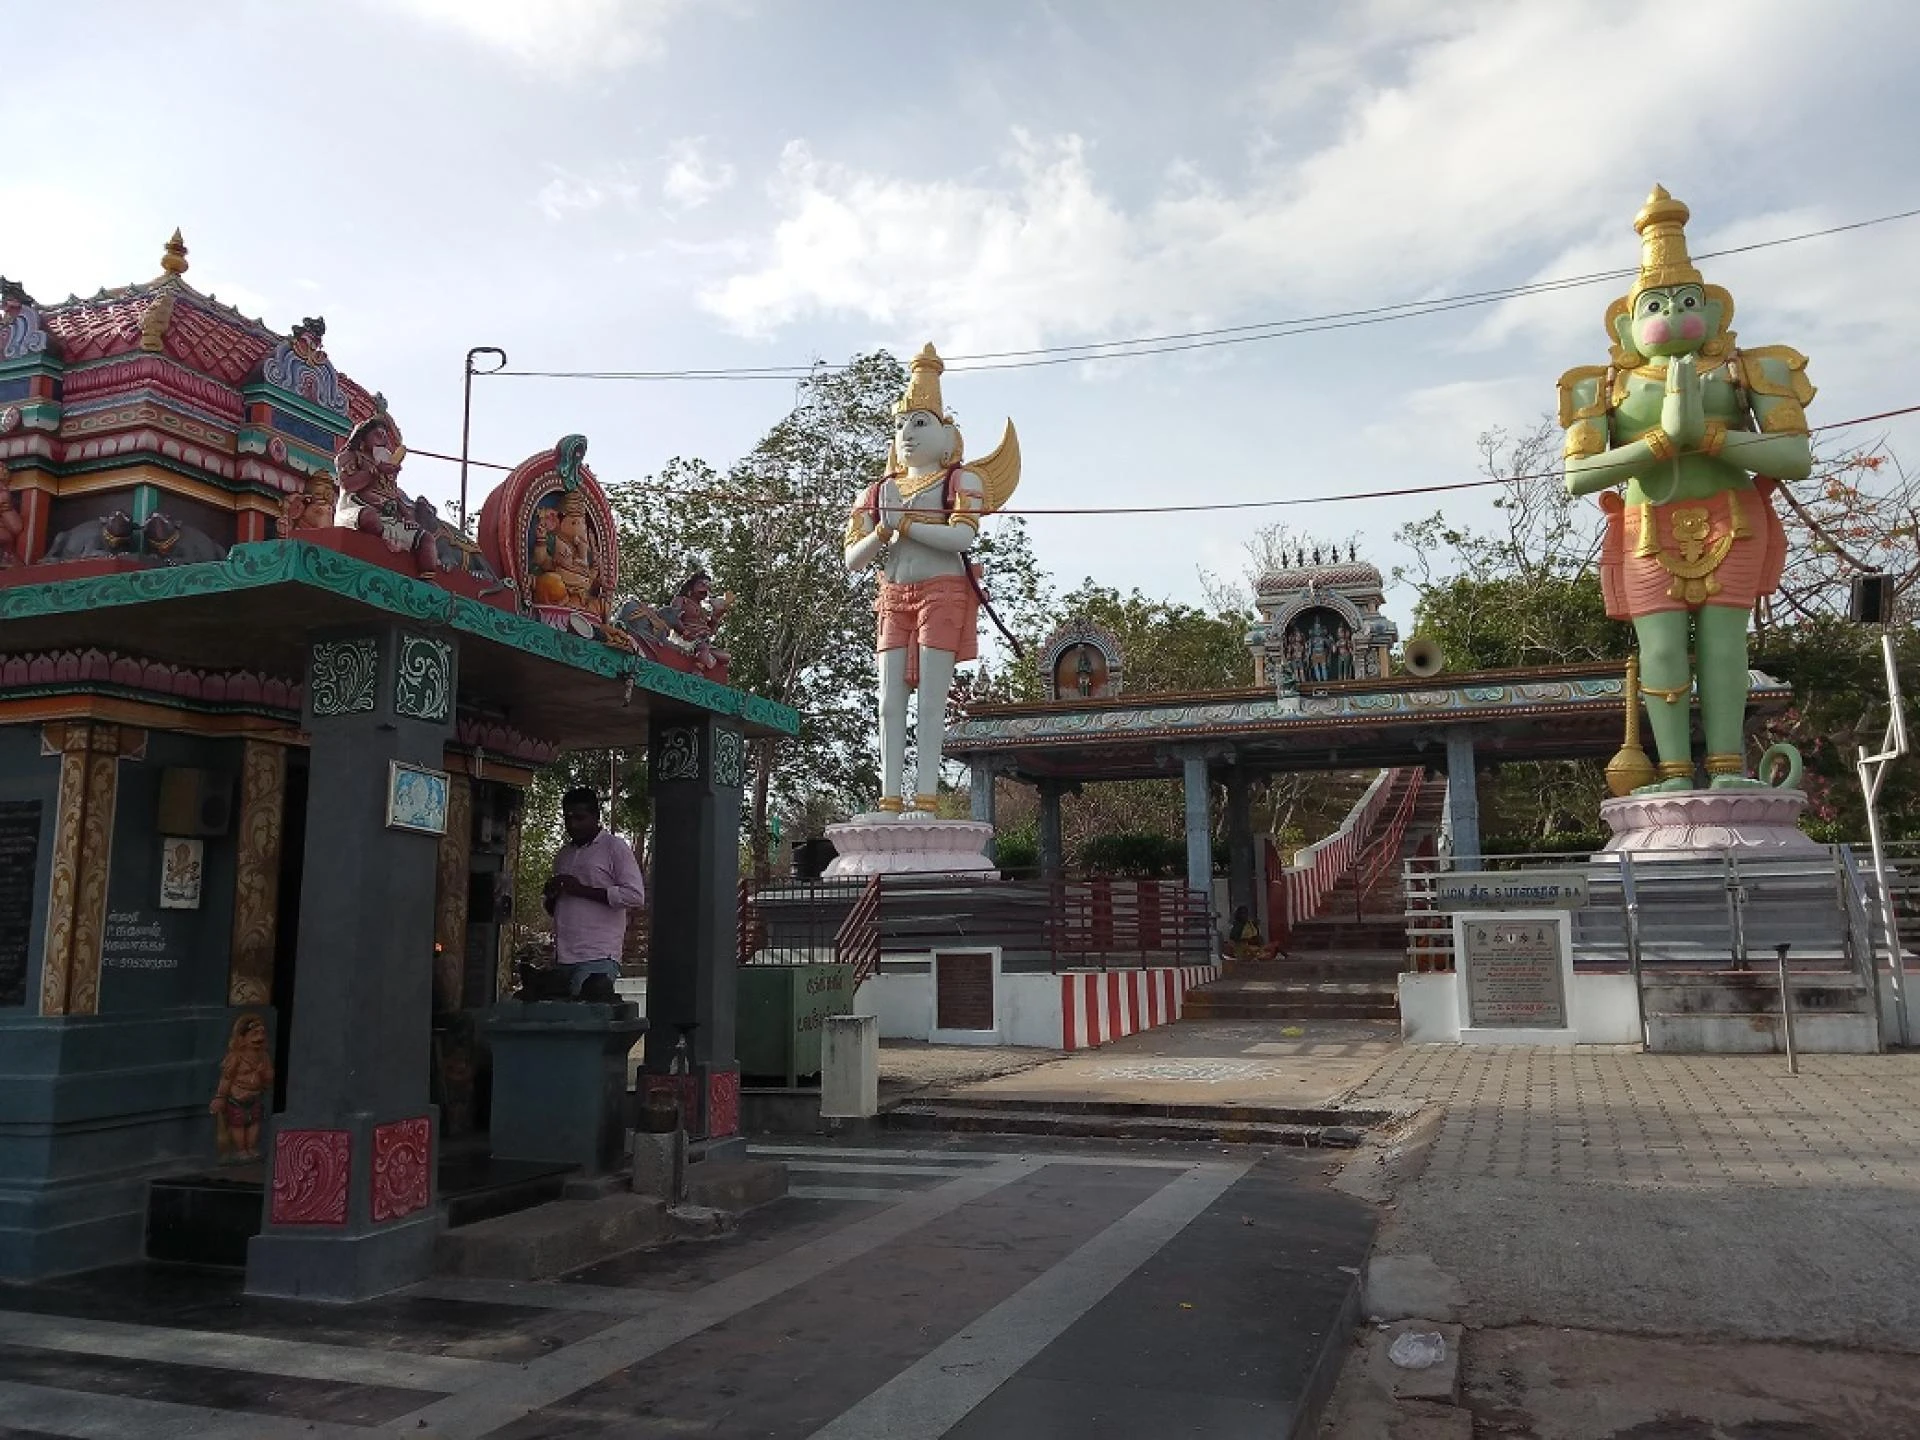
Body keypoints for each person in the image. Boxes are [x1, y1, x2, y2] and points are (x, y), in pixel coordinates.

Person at [544, 787, 647, 999]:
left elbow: (635, 895)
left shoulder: (614, 848)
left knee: (590, 1018)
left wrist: (581, 890)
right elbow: (556, 907)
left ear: (596, 816)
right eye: (568, 818)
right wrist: (553, 896)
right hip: (564, 956)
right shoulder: (564, 854)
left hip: (598, 956)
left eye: (580, 818)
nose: (573, 825)